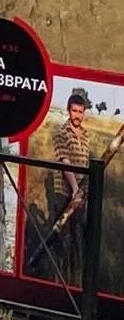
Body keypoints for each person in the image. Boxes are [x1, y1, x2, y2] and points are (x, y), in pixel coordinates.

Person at [50, 92, 91, 281]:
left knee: (78, 239)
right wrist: (74, 189)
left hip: (80, 196)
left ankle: (76, 282)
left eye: (80, 112)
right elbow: (65, 161)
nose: (77, 115)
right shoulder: (61, 133)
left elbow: (85, 165)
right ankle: (59, 283)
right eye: (74, 111)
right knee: (62, 239)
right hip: (63, 193)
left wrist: (82, 194)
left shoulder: (86, 136)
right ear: (68, 111)